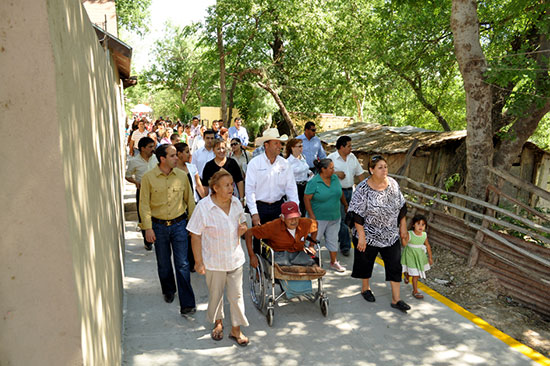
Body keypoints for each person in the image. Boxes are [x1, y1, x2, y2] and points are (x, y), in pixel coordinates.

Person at [187, 170, 250, 346]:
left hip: (235, 258)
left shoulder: (236, 203)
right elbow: (195, 235)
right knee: (216, 295)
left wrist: (242, 228)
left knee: (237, 296)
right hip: (214, 261)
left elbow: (241, 222)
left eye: (232, 184)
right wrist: (198, 261)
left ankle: (236, 329)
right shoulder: (204, 207)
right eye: (227, 185)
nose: (232, 188)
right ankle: (218, 323)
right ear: (215, 188)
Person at [347, 155, 411, 312]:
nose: (384, 170)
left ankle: (396, 299)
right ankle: (365, 288)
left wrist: (403, 226)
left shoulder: (393, 184)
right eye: (380, 167)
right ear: (371, 170)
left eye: (386, 167)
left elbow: (401, 207)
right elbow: (356, 214)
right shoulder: (363, 188)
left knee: (395, 264)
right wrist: (361, 236)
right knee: (365, 262)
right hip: (368, 233)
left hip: (390, 233)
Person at [139, 144, 197, 316]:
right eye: (172, 156)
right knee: (164, 264)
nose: (176, 158)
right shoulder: (148, 178)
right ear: (162, 159)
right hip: (158, 227)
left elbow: (190, 201)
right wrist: (147, 228)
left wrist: (192, 225)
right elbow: (144, 205)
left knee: (183, 264)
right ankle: (169, 290)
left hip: (180, 225)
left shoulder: (181, 175)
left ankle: (187, 302)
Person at [245, 128, 299, 252]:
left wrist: (294, 210)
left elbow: (291, 189)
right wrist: (254, 213)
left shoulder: (285, 164)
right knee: (259, 241)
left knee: (278, 240)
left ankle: (275, 269)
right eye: (276, 143)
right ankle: (258, 268)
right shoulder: (255, 164)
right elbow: (250, 190)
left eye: (280, 143)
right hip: (260, 208)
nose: (279, 146)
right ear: (266, 145)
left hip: (278, 207)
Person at [304, 159, 347, 272]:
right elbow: (307, 199)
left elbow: (340, 192)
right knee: (313, 241)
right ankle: (310, 263)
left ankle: (334, 262)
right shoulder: (314, 182)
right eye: (331, 168)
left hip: (334, 216)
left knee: (333, 239)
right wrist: (312, 215)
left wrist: (346, 205)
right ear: (323, 169)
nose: (334, 170)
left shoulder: (335, 178)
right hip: (318, 218)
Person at [245, 201, 317, 267]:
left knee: (314, 266)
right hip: (279, 254)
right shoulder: (272, 226)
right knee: (284, 268)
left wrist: (311, 245)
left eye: (296, 217)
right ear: (282, 218)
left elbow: (315, 226)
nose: (294, 221)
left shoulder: (305, 223)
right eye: (290, 218)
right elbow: (249, 233)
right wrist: (252, 256)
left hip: (299, 253)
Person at [328, 136, 366, 257]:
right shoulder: (331, 158)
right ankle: (345, 246)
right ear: (342, 147)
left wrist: (366, 190)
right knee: (342, 219)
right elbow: (322, 173)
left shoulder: (352, 157)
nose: (351, 148)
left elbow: (360, 175)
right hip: (337, 193)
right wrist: (335, 173)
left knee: (351, 218)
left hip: (351, 192)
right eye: (349, 145)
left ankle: (346, 240)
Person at [125, 137, 158, 250]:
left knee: (156, 214)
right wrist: (135, 182)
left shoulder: (156, 158)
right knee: (143, 216)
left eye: (153, 146)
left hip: (157, 191)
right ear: (142, 148)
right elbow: (127, 176)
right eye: (150, 147)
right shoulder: (134, 161)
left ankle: (156, 237)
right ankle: (147, 241)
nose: (152, 149)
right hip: (142, 191)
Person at [401, 214, 433, 299]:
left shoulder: (424, 235)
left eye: (423, 224)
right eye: (418, 224)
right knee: (413, 272)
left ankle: (413, 286)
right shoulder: (410, 234)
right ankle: (412, 286)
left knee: (416, 275)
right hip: (410, 256)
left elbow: (428, 246)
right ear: (413, 225)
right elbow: (404, 245)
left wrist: (430, 257)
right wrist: (403, 238)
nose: (421, 226)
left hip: (419, 257)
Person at [285, 138, 312, 216]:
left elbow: (306, 169)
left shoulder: (303, 157)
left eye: (302, 146)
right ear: (292, 148)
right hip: (296, 187)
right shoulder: (288, 162)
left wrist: (310, 173)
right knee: (297, 207)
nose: (301, 148)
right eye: (299, 146)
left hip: (306, 185)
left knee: (306, 207)